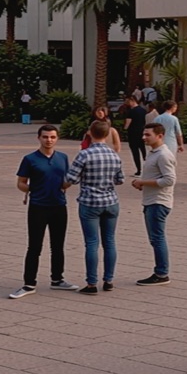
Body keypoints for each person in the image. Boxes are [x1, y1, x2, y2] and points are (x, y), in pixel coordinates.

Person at [12, 123, 75, 297]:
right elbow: (21, 183)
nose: (49, 140)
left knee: (58, 245)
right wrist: (30, 189)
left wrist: (73, 181)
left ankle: (57, 279)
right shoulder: (30, 159)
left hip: (59, 205)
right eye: (45, 137)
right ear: (39, 138)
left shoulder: (62, 158)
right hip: (38, 207)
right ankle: (29, 283)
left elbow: (65, 182)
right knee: (34, 246)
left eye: (53, 137)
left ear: (57, 139)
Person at [71, 118, 124, 294]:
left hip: (90, 202)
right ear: (107, 134)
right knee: (109, 242)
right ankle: (108, 279)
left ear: (90, 133)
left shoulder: (84, 154)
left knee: (92, 243)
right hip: (111, 201)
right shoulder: (114, 155)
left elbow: (71, 178)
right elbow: (120, 180)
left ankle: (91, 283)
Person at [128, 125, 175, 284]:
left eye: (148, 135)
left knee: (157, 238)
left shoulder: (163, 155)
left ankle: (162, 273)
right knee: (155, 238)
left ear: (160, 136)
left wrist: (143, 182)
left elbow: (169, 180)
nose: (144, 137)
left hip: (159, 201)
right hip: (150, 200)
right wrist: (143, 184)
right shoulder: (153, 153)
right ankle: (161, 271)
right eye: (143, 134)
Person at [118, 95, 148, 175]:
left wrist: (124, 128)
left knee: (135, 152)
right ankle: (147, 164)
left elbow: (128, 123)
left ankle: (139, 169)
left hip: (133, 133)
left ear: (132, 101)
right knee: (142, 148)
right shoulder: (143, 110)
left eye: (128, 101)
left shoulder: (131, 112)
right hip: (141, 132)